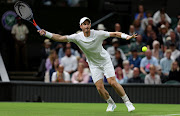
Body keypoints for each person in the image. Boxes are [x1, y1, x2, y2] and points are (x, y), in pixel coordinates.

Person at [38, 17, 137, 112]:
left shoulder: (98, 34)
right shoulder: (77, 37)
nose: (86, 26)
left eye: (88, 24)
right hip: (93, 64)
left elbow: (115, 33)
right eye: (84, 24)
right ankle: (111, 103)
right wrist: (46, 33)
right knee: (99, 87)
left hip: (105, 61)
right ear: (81, 26)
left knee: (112, 82)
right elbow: (60, 38)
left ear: (90, 25)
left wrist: (126, 36)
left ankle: (128, 102)